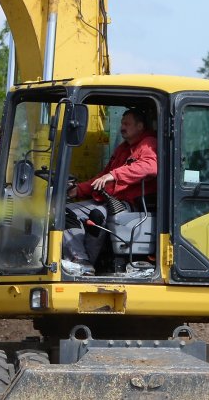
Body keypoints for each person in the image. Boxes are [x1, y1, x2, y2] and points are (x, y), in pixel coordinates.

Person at [59, 107, 157, 277]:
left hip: (130, 204)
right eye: (121, 123)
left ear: (140, 126)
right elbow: (103, 177)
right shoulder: (123, 148)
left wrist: (114, 175)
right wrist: (79, 190)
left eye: (127, 123)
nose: (122, 127)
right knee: (64, 212)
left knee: (97, 215)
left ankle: (84, 263)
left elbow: (150, 167)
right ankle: (79, 259)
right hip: (107, 199)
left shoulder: (148, 143)